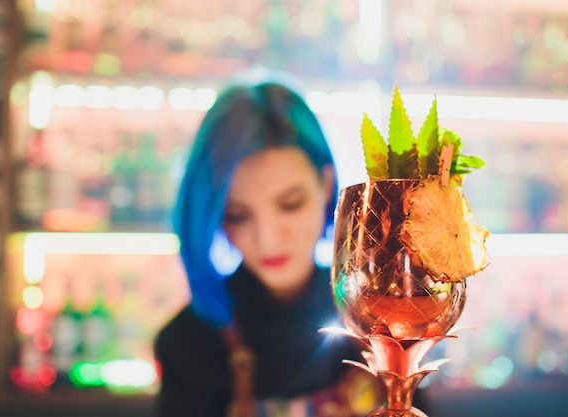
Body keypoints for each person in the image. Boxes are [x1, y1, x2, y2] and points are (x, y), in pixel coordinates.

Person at [154, 78, 433, 417]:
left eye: (290, 203)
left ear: (326, 186)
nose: (268, 238)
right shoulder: (189, 342)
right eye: (238, 215)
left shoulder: (380, 316)